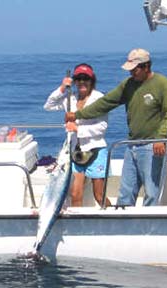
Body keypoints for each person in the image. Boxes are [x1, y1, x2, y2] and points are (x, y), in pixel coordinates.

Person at [65, 48, 167, 206]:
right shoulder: (128, 84)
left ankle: (147, 228)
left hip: (152, 145)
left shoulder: (162, 84)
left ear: (146, 66)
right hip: (131, 145)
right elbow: (105, 103)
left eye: (135, 69)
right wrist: (77, 115)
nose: (132, 73)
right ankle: (124, 226)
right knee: (126, 192)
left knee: (151, 191)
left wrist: (161, 138)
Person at [44, 63, 111, 207]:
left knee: (99, 196)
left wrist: (77, 129)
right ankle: (77, 227)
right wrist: (62, 87)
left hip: (96, 150)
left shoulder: (99, 99)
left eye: (86, 78)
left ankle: (115, 220)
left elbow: (102, 127)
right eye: (78, 78)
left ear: (92, 81)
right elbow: (49, 105)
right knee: (75, 194)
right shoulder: (70, 98)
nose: (82, 82)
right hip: (75, 151)